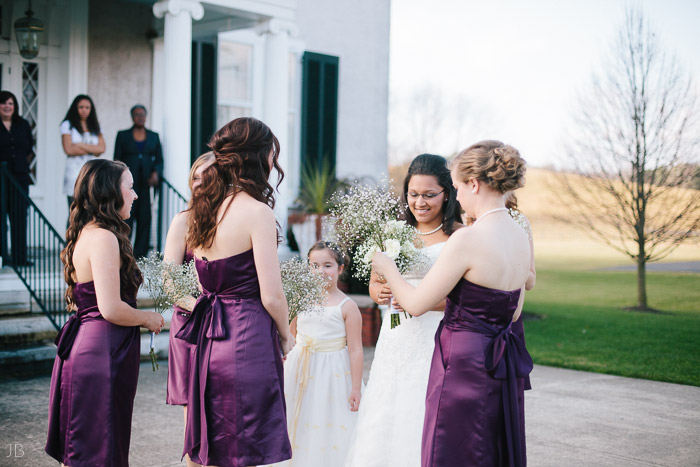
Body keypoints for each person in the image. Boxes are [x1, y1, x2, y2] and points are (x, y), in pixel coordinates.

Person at [372, 140, 533, 467]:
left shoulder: (467, 238)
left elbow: (415, 304)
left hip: (462, 362)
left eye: (457, 187)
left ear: (473, 184)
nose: (457, 196)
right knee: (488, 448)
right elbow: (514, 310)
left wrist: (387, 267)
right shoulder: (518, 234)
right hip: (500, 359)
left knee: (453, 450)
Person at [175, 117, 294, 467]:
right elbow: (272, 295)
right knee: (245, 447)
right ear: (257, 158)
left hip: (209, 340)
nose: (274, 162)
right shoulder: (257, 212)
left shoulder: (200, 211)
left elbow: (189, 281)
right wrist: (286, 336)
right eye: (271, 153)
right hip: (248, 337)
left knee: (213, 444)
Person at [345, 154, 463, 467]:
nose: (419, 202)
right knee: (386, 406)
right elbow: (374, 284)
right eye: (413, 194)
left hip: (435, 337)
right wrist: (380, 291)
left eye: (429, 195)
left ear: (447, 194)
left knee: (423, 408)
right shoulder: (393, 231)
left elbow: (463, 298)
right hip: (396, 337)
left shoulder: (459, 236)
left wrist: (413, 298)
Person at [45, 159, 164, 466]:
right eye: (131, 187)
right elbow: (110, 308)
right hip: (102, 353)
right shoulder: (104, 238)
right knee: (100, 449)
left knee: (91, 445)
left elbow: (81, 302)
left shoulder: (88, 233)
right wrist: (148, 318)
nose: (136, 195)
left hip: (92, 346)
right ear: (111, 191)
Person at [274, 241, 364, 467]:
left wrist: (355, 387)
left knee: (326, 419)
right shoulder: (301, 300)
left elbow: (355, 349)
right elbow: (289, 335)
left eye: (327, 266)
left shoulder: (347, 306)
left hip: (333, 371)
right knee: (300, 416)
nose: (321, 272)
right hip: (300, 367)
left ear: (340, 269)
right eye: (314, 266)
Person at [163, 151, 214, 467]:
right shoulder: (183, 220)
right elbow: (170, 281)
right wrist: (199, 306)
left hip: (225, 325)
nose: (200, 182)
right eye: (195, 176)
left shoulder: (233, 221)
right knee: (194, 421)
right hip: (191, 323)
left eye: (207, 175)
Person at [114, 105, 164, 258]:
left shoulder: (154, 136)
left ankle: (140, 256)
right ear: (132, 117)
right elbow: (116, 159)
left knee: (145, 220)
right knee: (126, 218)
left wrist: (156, 173)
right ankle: (124, 252)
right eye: (137, 114)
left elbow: (160, 160)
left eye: (142, 114)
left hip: (146, 186)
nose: (140, 117)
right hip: (128, 186)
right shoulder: (123, 135)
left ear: (146, 116)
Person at [0, 91, 33, 266]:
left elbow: (29, 149)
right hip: (0, 179)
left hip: (20, 179)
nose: (7, 106)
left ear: (15, 106)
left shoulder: (23, 124)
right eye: (3, 103)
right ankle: (2, 257)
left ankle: (20, 258)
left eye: (11, 103)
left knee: (19, 217)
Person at [61, 95, 105, 211]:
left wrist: (79, 144)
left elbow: (101, 149)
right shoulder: (68, 125)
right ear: (75, 108)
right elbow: (69, 149)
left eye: (87, 107)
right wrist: (92, 148)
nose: (84, 110)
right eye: (81, 107)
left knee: (91, 212)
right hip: (74, 173)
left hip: (92, 173)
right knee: (75, 212)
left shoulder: (95, 125)